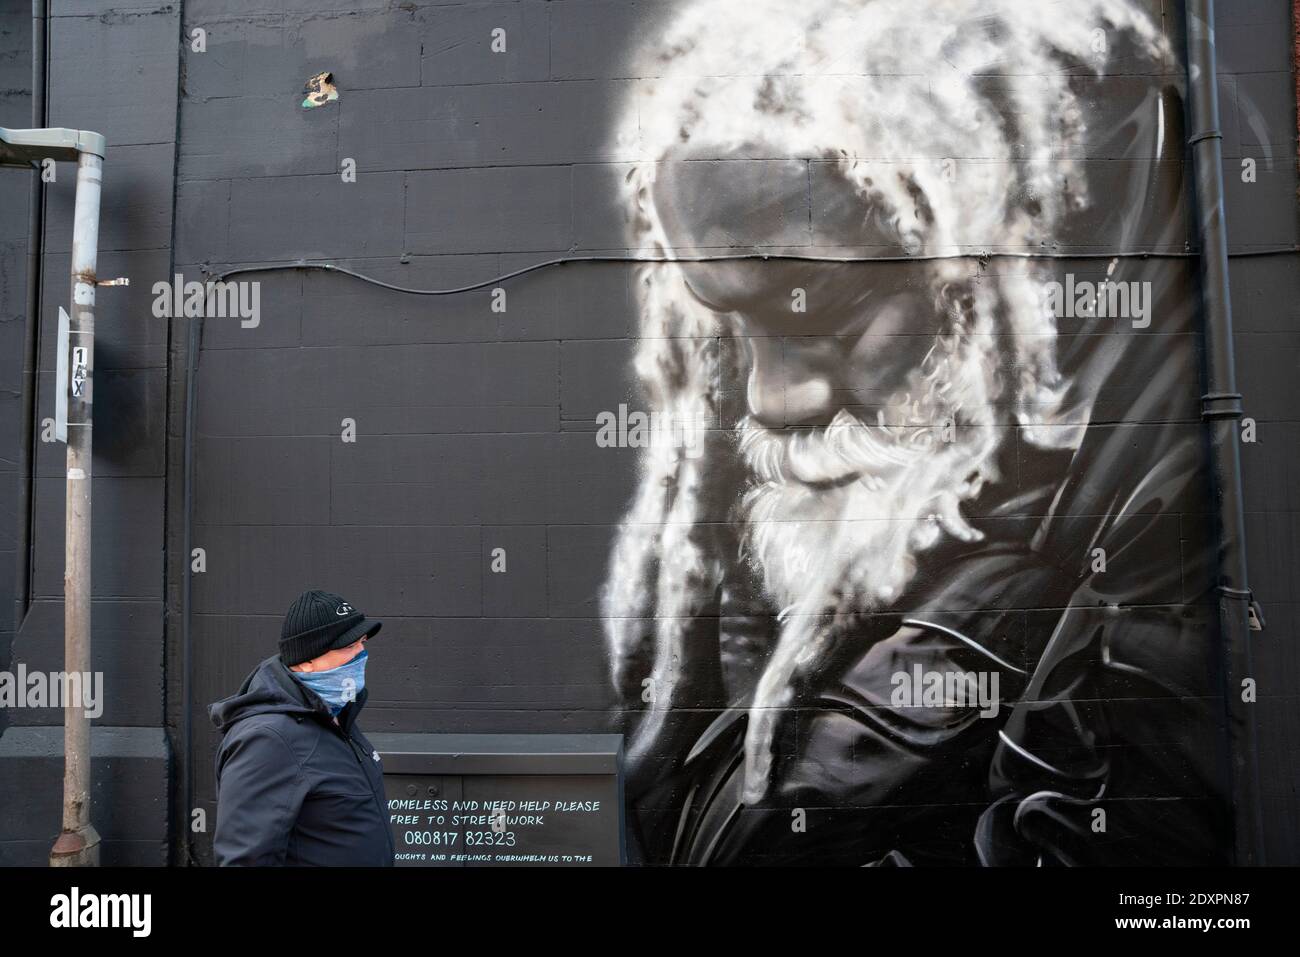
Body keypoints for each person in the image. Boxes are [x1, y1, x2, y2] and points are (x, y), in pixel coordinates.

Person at [602, 0, 1231, 864]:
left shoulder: (1167, 510)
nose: (771, 400)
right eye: (732, 323)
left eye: (825, 309)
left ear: (1027, 248)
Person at [209, 589, 395, 866]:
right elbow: (244, 859)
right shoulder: (268, 739)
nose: (361, 654)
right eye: (348, 647)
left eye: (362, 642)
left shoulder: (337, 717)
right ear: (307, 659)